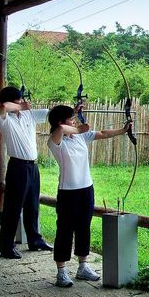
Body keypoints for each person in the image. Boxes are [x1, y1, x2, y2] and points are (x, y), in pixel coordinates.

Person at [47, 104, 129, 287]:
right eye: (71, 118)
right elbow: (60, 128)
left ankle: (83, 267)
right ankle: (61, 271)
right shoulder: (55, 141)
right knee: (65, 230)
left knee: (84, 226)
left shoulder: (79, 137)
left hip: (86, 189)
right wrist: (77, 127)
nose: (74, 121)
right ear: (62, 121)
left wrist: (123, 130)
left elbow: (103, 133)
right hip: (67, 192)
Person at [0, 86, 52, 259]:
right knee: (13, 208)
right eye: (18, 99)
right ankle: (6, 246)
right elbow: (3, 107)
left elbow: (52, 114)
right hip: (17, 167)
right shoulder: (2, 117)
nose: (22, 102)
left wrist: (74, 110)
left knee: (32, 205)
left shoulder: (29, 114)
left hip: (32, 167)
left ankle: (35, 239)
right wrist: (19, 106)